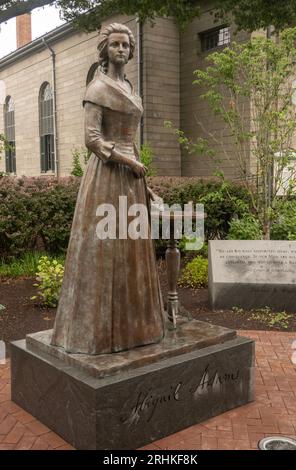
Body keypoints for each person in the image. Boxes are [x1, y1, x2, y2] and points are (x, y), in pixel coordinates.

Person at [51, 23, 165, 355]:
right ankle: (100, 334)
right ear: (105, 50)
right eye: (115, 45)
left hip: (132, 179)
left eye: (125, 46)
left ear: (131, 51)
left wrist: (145, 184)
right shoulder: (97, 87)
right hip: (107, 177)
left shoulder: (129, 86)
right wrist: (128, 163)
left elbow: (133, 142)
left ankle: (135, 328)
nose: (120, 50)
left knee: (132, 252)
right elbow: (92, 139)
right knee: (105, 250)